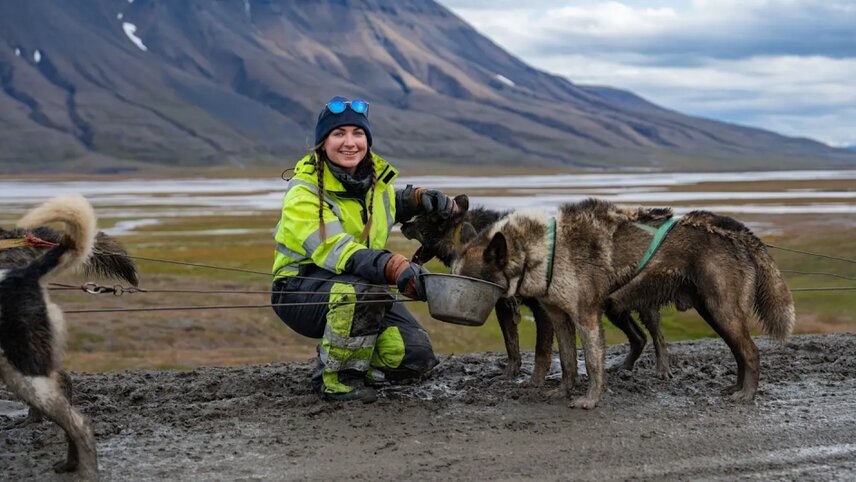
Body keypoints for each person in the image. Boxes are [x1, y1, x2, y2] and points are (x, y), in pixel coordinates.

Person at [271, 96, 455, 403]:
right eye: (338, 134)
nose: (350, 143)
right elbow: (338, 249)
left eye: (358, 134)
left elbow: (380, 207)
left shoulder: (373, 186)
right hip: (300, 289)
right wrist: (393, 266)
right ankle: (337, 380)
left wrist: (415, 199)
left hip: (363, 287)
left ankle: (340, 354)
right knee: (364, 290)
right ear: (322, 143)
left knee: (414, 358)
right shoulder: (303, 193)